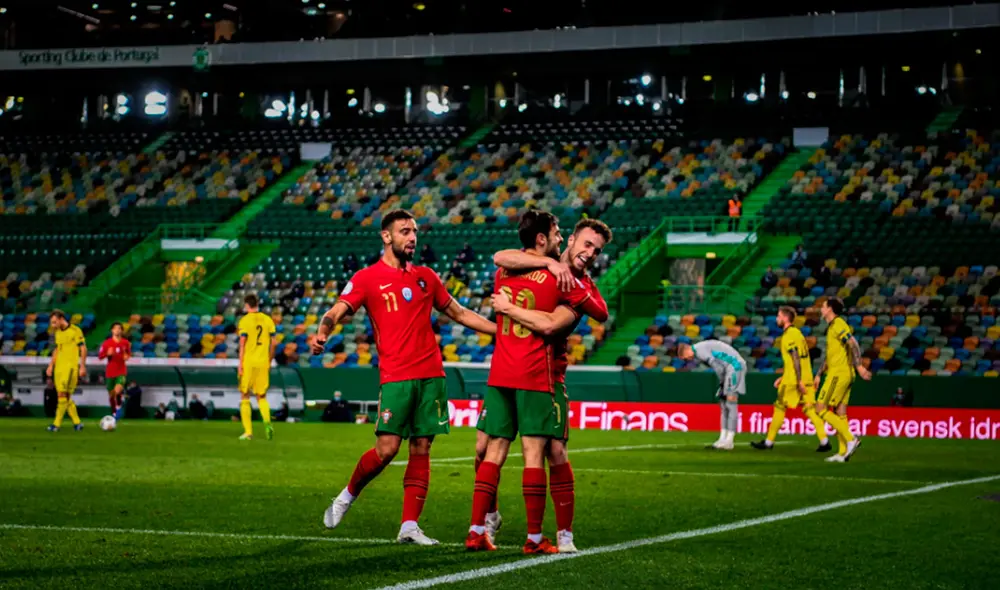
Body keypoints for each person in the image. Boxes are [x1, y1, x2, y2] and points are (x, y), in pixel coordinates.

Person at [311, 209, 496, 546]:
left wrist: (501, 331)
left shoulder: (427, 277)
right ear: (387, 236)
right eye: (405, 231)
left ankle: (409, 526)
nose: (412, 237)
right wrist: (323, 332)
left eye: (414, 232)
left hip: (431, 375)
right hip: (396, 376)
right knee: (386, 449)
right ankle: (346, 496)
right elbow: (336, 310)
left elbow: (460, 313)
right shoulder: (367, 278)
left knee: (422, 448)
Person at [467, 210, 608, 554]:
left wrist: (506, 309)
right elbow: (502, 255)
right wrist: (550, 266)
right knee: (488, 449)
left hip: (543, 372)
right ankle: (499, 526)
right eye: (586, 243)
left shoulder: (565, 282)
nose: (590, 253)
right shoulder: (540, 267)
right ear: (568, 240)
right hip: (523, 372)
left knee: (552, 451)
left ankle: (563, 534)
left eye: (598, 250)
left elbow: (572, 319)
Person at [751, 307, 829, 451]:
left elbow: (795, 357)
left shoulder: (788, 335)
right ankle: (824, 441)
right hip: (806, 377)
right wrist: (783, 376)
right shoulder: (798, 333)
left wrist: (797, 380)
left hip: (794, 380)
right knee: (809, 409)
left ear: (785, 318)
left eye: (778, 316)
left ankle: (768, 442)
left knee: (780, 407)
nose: (776, 319)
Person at [814, 297, 869, 462]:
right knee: (840, 413)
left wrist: (859, 366)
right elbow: (831, 356)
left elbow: (853, 343)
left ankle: (851, 439)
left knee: (820, 408)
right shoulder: (833, 327)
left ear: (830, 309)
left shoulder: (838, 324)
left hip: (839, 374)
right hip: (843, 373)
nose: (821, 309)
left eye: (823, 306)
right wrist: (818, 374)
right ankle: (843, 452)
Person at [677, 340, 747, 450]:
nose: (687, 360)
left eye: (686, 357)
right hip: (728, 369)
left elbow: (717, 366)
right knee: (723, 405)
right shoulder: (699, 350)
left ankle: (729, 440)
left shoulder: (700, 351)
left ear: (687, 350)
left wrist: (722, 382)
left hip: (735, 366)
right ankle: (722, 438)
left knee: (730, 403)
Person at [237, 293, 277, 441]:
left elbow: (242, 343)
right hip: (262, 362)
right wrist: (269, 360)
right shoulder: (268, 320)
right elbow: (274, 343)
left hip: (249, 362)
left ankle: (248, 432)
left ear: (247, 305)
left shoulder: (245, 321)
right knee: (262, 396)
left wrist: (240, 364)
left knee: (245, 395)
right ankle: (267, 422)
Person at [45, 309, 86, 432]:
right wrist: (51, 365)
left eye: (54, 322)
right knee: (65, 396)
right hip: (59, 368)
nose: (53, 325)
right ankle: (77, 423)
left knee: (62, 395)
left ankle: (56, 424)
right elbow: (57, 349)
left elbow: (83, 349)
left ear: (61, 319)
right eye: (52, 323)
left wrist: (82, 366)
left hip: (71, 367)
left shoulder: (75, 330)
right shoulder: (58, 333)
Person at [98, 322, 132, 419]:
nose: (117, 330)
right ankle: (114, 412)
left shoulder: (125, 343)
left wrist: (127, 357)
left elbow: (128, 354)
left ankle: (118, 406)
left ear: (121, 330)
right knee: (112, 395)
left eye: (119, 328)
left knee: (117, 390)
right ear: (112, 330)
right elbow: (100, 356)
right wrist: (107, 354)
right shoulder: (107, 343)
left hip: (121, 371)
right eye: (115, 328)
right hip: (110, 371)